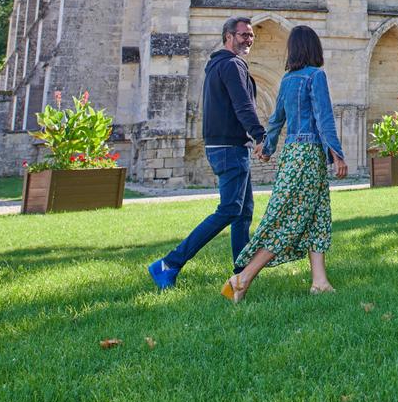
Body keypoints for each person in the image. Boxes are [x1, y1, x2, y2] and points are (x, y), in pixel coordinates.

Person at [222, 24, 347, 301]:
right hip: (308, 155)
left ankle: (320, 281)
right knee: (289, 221)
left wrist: (267, 147)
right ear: (314, 48)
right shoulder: (316, 76)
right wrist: (337, 154)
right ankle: (242, 279)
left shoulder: (288, 80)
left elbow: (276, 118)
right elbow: (323, 117)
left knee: (317, 216)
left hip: (291, 153)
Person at [148, 16, 266, 289]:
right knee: (228, 210)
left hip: (226, 146)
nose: (248, 39)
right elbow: (243, 105)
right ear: (228, 36)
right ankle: (170, 262)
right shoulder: (231, 65)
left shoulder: (216, 66)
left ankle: (241, 272)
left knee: (243, 211)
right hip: (229, 148)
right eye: (243, 35)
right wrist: (259, 135)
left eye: (251, 36)